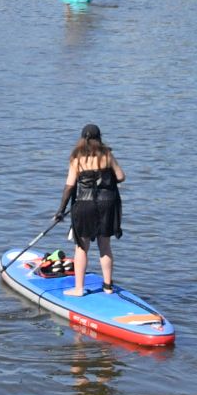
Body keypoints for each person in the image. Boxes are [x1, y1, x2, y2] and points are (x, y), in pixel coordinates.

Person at [54, 124, 124, 297]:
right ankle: (108, 287)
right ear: (99, 137)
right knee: (105, 245)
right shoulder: (107, 155)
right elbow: (121, 176)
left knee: (81, 247)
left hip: (84, 205)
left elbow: (70, 186)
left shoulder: (76, 158)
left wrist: (60, 211)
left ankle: (79, 289)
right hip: (107, 204)